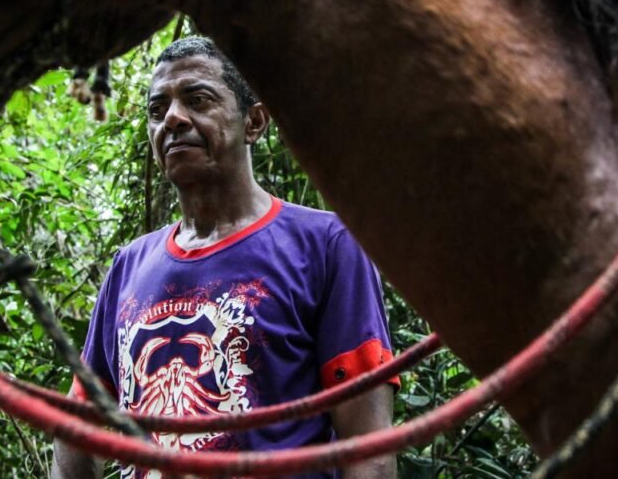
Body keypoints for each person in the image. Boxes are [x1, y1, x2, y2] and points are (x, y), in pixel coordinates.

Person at [52, 36, 398, 478]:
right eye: (157, 111)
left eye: (197, 100)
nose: (173, 119)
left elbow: (368, 447)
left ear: (253, 122)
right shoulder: (129, 266)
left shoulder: (327, 244)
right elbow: (77, 427)